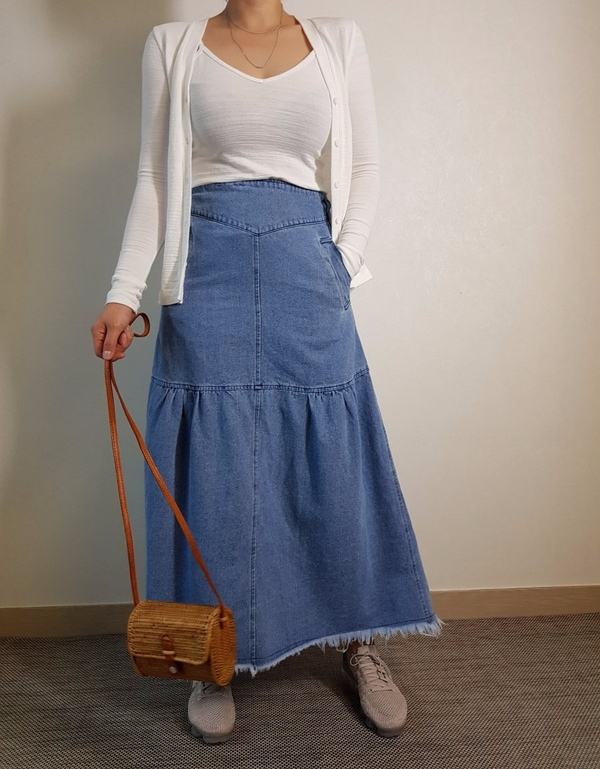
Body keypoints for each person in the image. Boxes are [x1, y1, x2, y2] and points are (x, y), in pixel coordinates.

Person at [90, 2, 444, 745]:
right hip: (204, 270)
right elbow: (154, 175)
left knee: (335, 458)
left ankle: (357, 638)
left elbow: (365, 165)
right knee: (211, 465)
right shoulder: (172, 44)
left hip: (305, 263)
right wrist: (124, 291)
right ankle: (209, 658)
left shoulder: (338, 40)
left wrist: (341, 262)